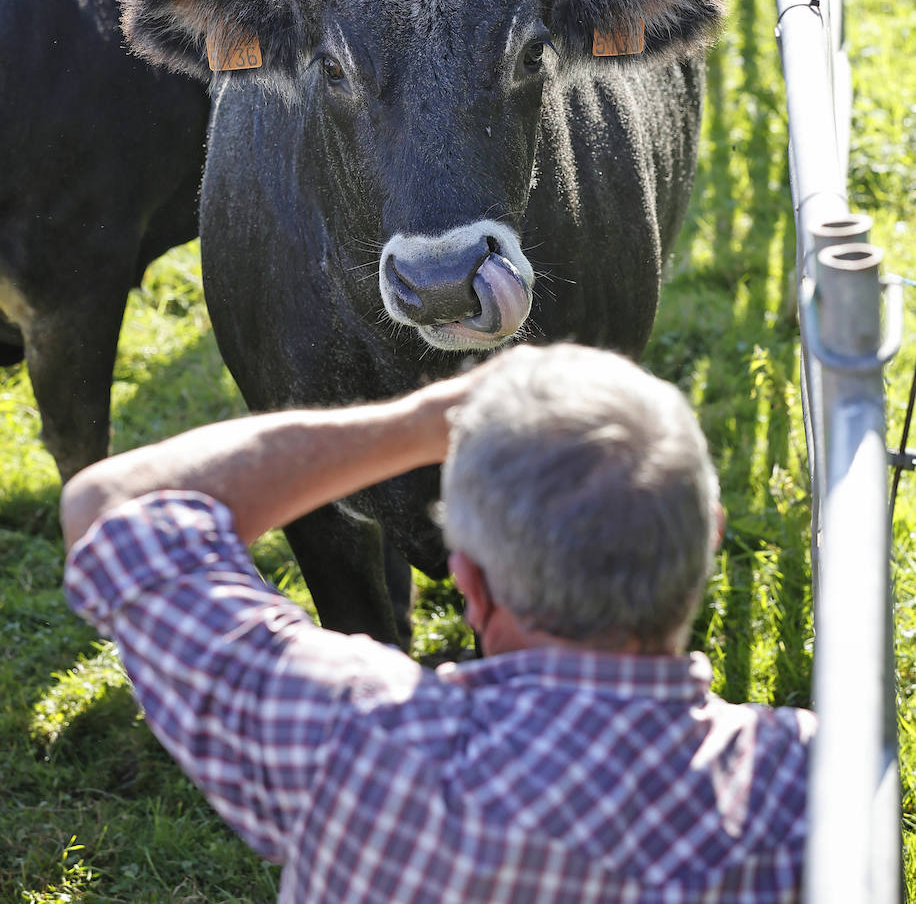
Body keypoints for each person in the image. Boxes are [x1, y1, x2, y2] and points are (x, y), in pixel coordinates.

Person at [62, 342, 815, 902]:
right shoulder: (816, 784)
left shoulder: (353, 737)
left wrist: (425, 420)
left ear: (471, 586)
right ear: (709, 538)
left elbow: (112, 508)